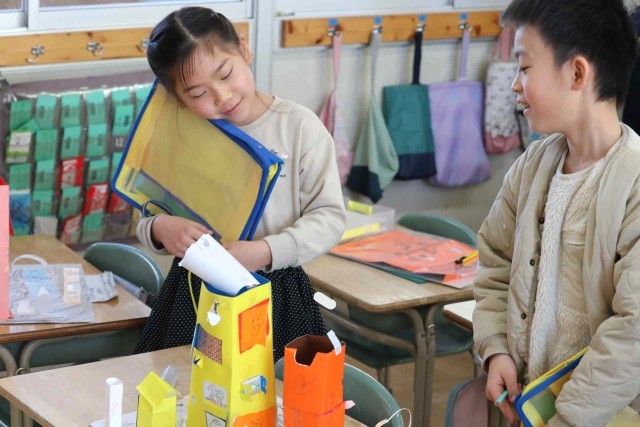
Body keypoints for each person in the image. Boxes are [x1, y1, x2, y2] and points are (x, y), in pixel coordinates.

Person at [133, 6, 346, 360]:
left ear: (244, 49)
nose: (222, 96)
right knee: (186, 384)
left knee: (272, 388)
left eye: (225, 74)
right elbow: (145, 210)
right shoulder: (182, 132)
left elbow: (329, 218)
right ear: (177, 99)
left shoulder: (299, 127)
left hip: (275, 291)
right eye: (197, 94)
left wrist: (264, 251)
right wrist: (160, 228)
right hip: (194, 291)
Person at [472, 0, 640, 425]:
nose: (515, 85)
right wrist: (496, 348)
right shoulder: (531, 166)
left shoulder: (634, 182)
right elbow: (495, 263)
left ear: (577, 73)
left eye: (525, 68)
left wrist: (566, 419)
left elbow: (633, 331)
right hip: (531, 407)